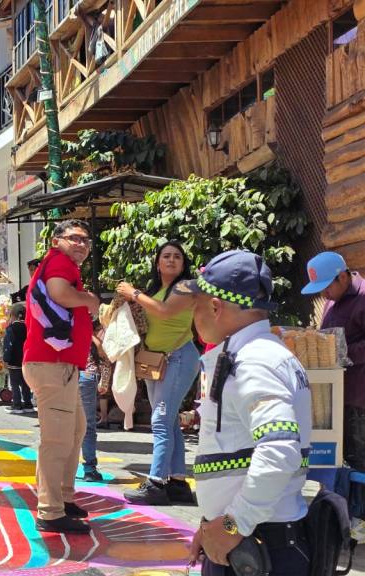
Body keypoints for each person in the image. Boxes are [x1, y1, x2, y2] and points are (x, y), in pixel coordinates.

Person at [177, 250, 312, 576]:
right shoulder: (257, 354)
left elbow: (279, 450)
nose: (193, 316)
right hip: (246, 539)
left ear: (214, 306)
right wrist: (212, 528)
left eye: (196, 305)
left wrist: (232, 524)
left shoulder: (254, 361)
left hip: (256, 544)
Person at [23, 219, 99, 534]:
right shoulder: (60, 263)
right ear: (57, 241)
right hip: (53, 365)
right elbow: (58, 293)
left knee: (75, 430)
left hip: (59, 366)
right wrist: (90, 300)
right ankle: (50, 511)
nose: (81, 243)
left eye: (86, 239)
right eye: (74, 238)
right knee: (56, 441)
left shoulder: (61, 263)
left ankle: (63, 499)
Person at [116, 241, 199, 505]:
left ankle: (156, 483)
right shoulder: (158, 289)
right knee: (169, 420)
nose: (172, 260)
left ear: (184, 263)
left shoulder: (186, 287)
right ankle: (177, 482)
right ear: (158, 262)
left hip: (179, 357)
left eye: (177, 256)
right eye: (166, 256)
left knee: (161, 420)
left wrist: (133, 292)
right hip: (156, 361)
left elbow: (164, 311)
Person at [300, 251, 365, 470]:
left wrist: (341, 352)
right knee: (339, 462)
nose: (325, 294)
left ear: (344, 277)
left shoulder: (363, 297)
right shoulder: (333, 301)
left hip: (359, 398)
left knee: (359, 462)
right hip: (336, 396)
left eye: (328, 287)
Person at [79, 326, 106, 482]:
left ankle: (62, 468)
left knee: (67, 425)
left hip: (68, 373)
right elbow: (103, 355)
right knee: (87, 426)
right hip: (87, 376)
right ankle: (89, 469)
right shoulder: (96, 335)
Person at [2, 302, 34, 414]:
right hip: (26, 360)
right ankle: (28, 404)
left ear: (13, 315)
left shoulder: (11, 328)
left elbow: (8, 346)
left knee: (14, 383)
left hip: (14, 360)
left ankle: (17, 405)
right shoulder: (28, 327)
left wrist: (5, 359)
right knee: (26, 383)